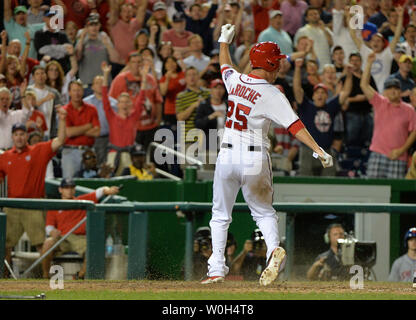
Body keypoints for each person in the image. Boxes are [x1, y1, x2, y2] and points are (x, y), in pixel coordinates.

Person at [201, 24, 334, 286]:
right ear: (271, 64)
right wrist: (318, 150)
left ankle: (216, 270)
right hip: (254, 157)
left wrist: (223, 43)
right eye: (278, 62)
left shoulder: (236, 81)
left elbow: (225, 66)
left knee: (219, 215)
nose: (280, 67)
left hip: (226, 156)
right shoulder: (272, 93)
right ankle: (274, 251)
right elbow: (295, 126)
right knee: (263, 213)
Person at [0, 106, 67, 276]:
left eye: (22, 134)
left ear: (26, 136)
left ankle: (46, 277)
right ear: (12, 137)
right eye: (16, 134)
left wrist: (63, 119)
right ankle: (4, 280)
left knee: (41, 244)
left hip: (33, 205)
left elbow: (60, 140)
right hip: (12, 206)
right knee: (5, 245)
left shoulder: (38, 151)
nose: (19, 137)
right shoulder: (5, 157)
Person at [41, 179, 119, 279]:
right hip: (62, 238)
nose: (69, 190)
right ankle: (45, 276)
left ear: (74, 190)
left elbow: (100, 191)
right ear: (60, 190)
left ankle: (80, 276)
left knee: (93, 246)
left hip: (79, 238)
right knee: (48, 242)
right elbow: (49, 226)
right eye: (66, 188)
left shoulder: (81, 201)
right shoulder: (55, 205)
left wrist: (108, 190)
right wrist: (52, 232)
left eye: (71, 188)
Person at [360, 52, 416, 179]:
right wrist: (369, 63)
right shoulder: (379, 102)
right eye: (389, 88)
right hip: (377, 153)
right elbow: (364, 85)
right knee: (373, 191)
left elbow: (414, 131)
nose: (393, 91)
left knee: (394, 194)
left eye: (395, 88)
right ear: (384, 92)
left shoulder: (409, 109)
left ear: (400, 91)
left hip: (398, 156)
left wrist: (401, 151)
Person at [293, 58, 352, 177]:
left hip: (326, 151)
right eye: (317, 93)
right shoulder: (306, 106)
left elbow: (345, 92)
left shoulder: (331, 106)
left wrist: (349, 74)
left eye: (323, 93)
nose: (320, 95)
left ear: (327, 96)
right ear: (313, 96)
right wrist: (298, 69)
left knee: (328, 185)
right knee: (305, 183)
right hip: (308, 151)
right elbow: (297, 89)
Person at [348, 5, 404, 93]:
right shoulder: (365, 52)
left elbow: (397, 36)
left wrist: (400, 16)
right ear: (370, 43)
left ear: (383, 44)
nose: (375, 42)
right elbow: (353, 35)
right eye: (373, 40)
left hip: (383, 94)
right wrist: (350, 17)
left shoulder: (387, 54)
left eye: (378, 41)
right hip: (368, 94)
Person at [62, 80, 101, 178]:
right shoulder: (64, 110)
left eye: (79, 90)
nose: (77, 93)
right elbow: (69, 132)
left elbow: (97, 132)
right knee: (69, 183)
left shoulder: (92, 109)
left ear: (83, 91)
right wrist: (88, 126)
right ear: (69, 92)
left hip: (88, 151)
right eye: (74, 90)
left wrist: (76, 130)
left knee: (90, 183)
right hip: (70, 152)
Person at [75, 13, 120, 97]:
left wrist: (107, 44)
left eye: (96, 24)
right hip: (87, 84)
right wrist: (81, 39)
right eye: (91, 25)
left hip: (104, 83)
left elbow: (115, 59)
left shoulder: (104, 37)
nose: (94, 27)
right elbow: (77, 57)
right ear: (86, 27)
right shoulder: (82, 39)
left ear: (99, 26)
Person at [338, 51, 377, 148]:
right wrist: (355, 99)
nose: (355, 63)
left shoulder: (367, 76)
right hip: (352, 113)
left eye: (357, 60)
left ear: (361, 62)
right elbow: (340, 99)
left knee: (369, 140)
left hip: (367, 112)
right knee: (352, 140)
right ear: (349, 62)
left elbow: (375, 94)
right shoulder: (345, 78)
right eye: (352, 60)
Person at [27, 65, 62, 140]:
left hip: (50, 131)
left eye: (42, 73)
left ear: (46, 76)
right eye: (37, 74)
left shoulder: (53, 92)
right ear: (33, 77)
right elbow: (29, 108)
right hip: (33, 131)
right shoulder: (29, 90)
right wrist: (45, 99)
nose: (40, 76)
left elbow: (60, 108)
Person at [294, 6, 333, 72]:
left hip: (326, 64)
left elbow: (331, 43)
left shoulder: (325, 29)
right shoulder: (302, 31)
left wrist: (324, 29)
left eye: (316, 14)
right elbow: (296, 48)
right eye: (311, 14)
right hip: (311, 65)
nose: (314, 16)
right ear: (306, 18)